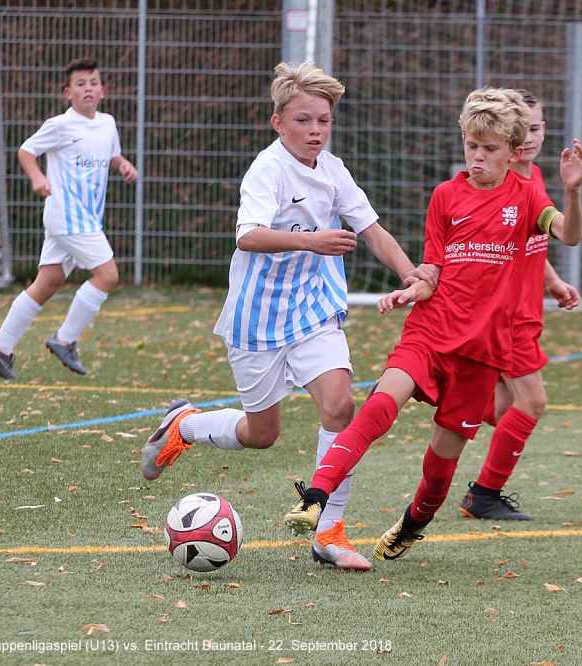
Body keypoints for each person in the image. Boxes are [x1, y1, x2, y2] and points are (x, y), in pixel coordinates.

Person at [140, 62, 432, 572]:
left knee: (340, 406)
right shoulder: (268, 169)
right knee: (263, 434)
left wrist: (411, 275)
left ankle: (329, 531)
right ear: (278, 123)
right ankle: (187, 426)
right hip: (257, 318)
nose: (315, 130)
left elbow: (372, 230)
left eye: (324, 120)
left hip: (314, 310)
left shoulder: (333, 170)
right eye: (303, 120)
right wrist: (312, 241)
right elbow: (247, 235)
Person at [283, 87, 582, 562]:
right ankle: (315, 497)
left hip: (482, 352)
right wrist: (411, 290)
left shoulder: (528, 197)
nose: (478, 157)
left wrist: (572, 190)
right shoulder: (446, 196)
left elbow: (568, 234)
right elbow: (434, 270)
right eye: (471, 146)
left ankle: (413, 523)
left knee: (441, 464)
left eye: (489, 149)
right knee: (379, 406)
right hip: (431, 331)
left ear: (513, 152)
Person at [458, 89, 581, 522]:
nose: (527, 137)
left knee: (502, 409)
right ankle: (484, 493)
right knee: (532, 402)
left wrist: (553, 280)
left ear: (543, 130)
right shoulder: (501, 182)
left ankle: (438, 390)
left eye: (533, 128)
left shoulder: (535, 178)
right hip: (504, 314)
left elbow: (530, 238)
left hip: (525, 309)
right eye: (518, 130)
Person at [0, 58, 137, 380]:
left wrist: (122, 164)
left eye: (93, 83)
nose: (88, 89)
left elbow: (110, 155)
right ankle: (64, 340)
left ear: (102, 90)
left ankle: (0, 345)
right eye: (80, 84)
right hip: (67, 216)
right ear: (68, 93)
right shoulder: (60, 125)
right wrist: (38, 177)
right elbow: (26, 151)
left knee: (47, 283)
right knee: (107, 275)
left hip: (85, 218)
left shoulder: (107, 123)